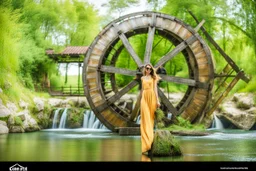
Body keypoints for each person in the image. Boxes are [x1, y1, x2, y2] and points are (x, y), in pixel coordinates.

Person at [140, 63, 161, 155]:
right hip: (144, 97)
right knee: (145, 119)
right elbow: (142, 89)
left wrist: (157, 100)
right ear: (145, 69)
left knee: (151, 119)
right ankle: (146, 143)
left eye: (150, 69)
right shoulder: (142, 78)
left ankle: (150, 139)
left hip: (152, 97)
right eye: (147, 68)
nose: (148, 70)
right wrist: (141, 98)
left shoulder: (154, 78)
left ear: (152, 70)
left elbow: (155, 89)